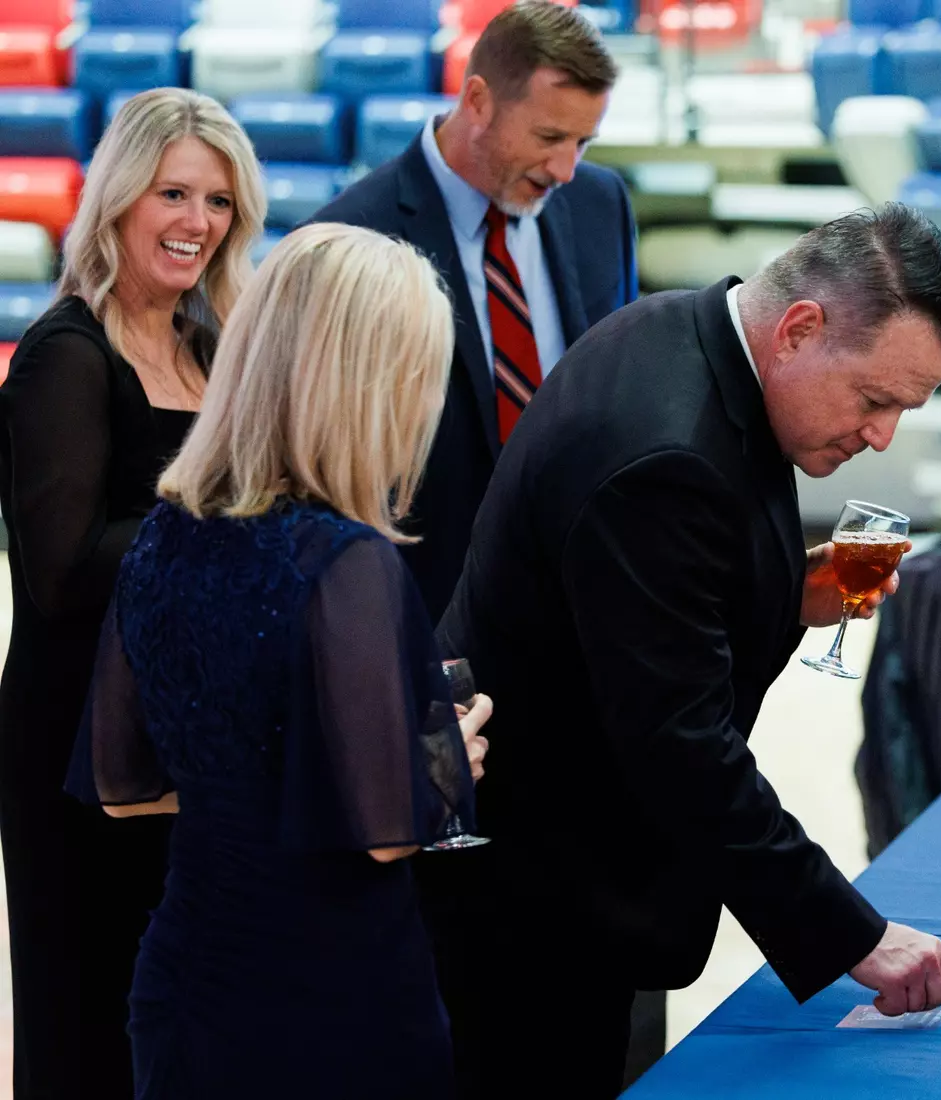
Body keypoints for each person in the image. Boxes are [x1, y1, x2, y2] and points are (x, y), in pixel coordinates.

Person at [438, 203, 941, 1097]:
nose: (882, 435)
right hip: (535, 901)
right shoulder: (663, 454)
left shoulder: (682, 330)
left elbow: (666, 603)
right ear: (801, 329)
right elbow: (680, 745)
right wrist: (853, 934)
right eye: (876, 399)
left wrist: (788, 590)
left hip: (583, 860)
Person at [66, 223, 494, 1100]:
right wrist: (448, 757)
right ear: (373, 386)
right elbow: (389, 832)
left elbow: (124, 787)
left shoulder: (163, 538)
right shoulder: (346, 564)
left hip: (188, 980)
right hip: (329, 1000)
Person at [0, 87, 265, 1100]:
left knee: (179, 1023)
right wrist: (226, 520)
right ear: (117, 199)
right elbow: (64, 569)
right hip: (77, 745)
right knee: (88, 1020)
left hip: (188, 746)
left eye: (220, 202)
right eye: (174, 194)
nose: (198, 223)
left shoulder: (209, 348)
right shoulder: (67, 355)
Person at [310, 0, 638, 621]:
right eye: (548, 138)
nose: (567, 169)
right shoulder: (350, 235)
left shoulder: (602, 204)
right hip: (422, 617)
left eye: (583, 142)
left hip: (580, 610)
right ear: (479, 100)